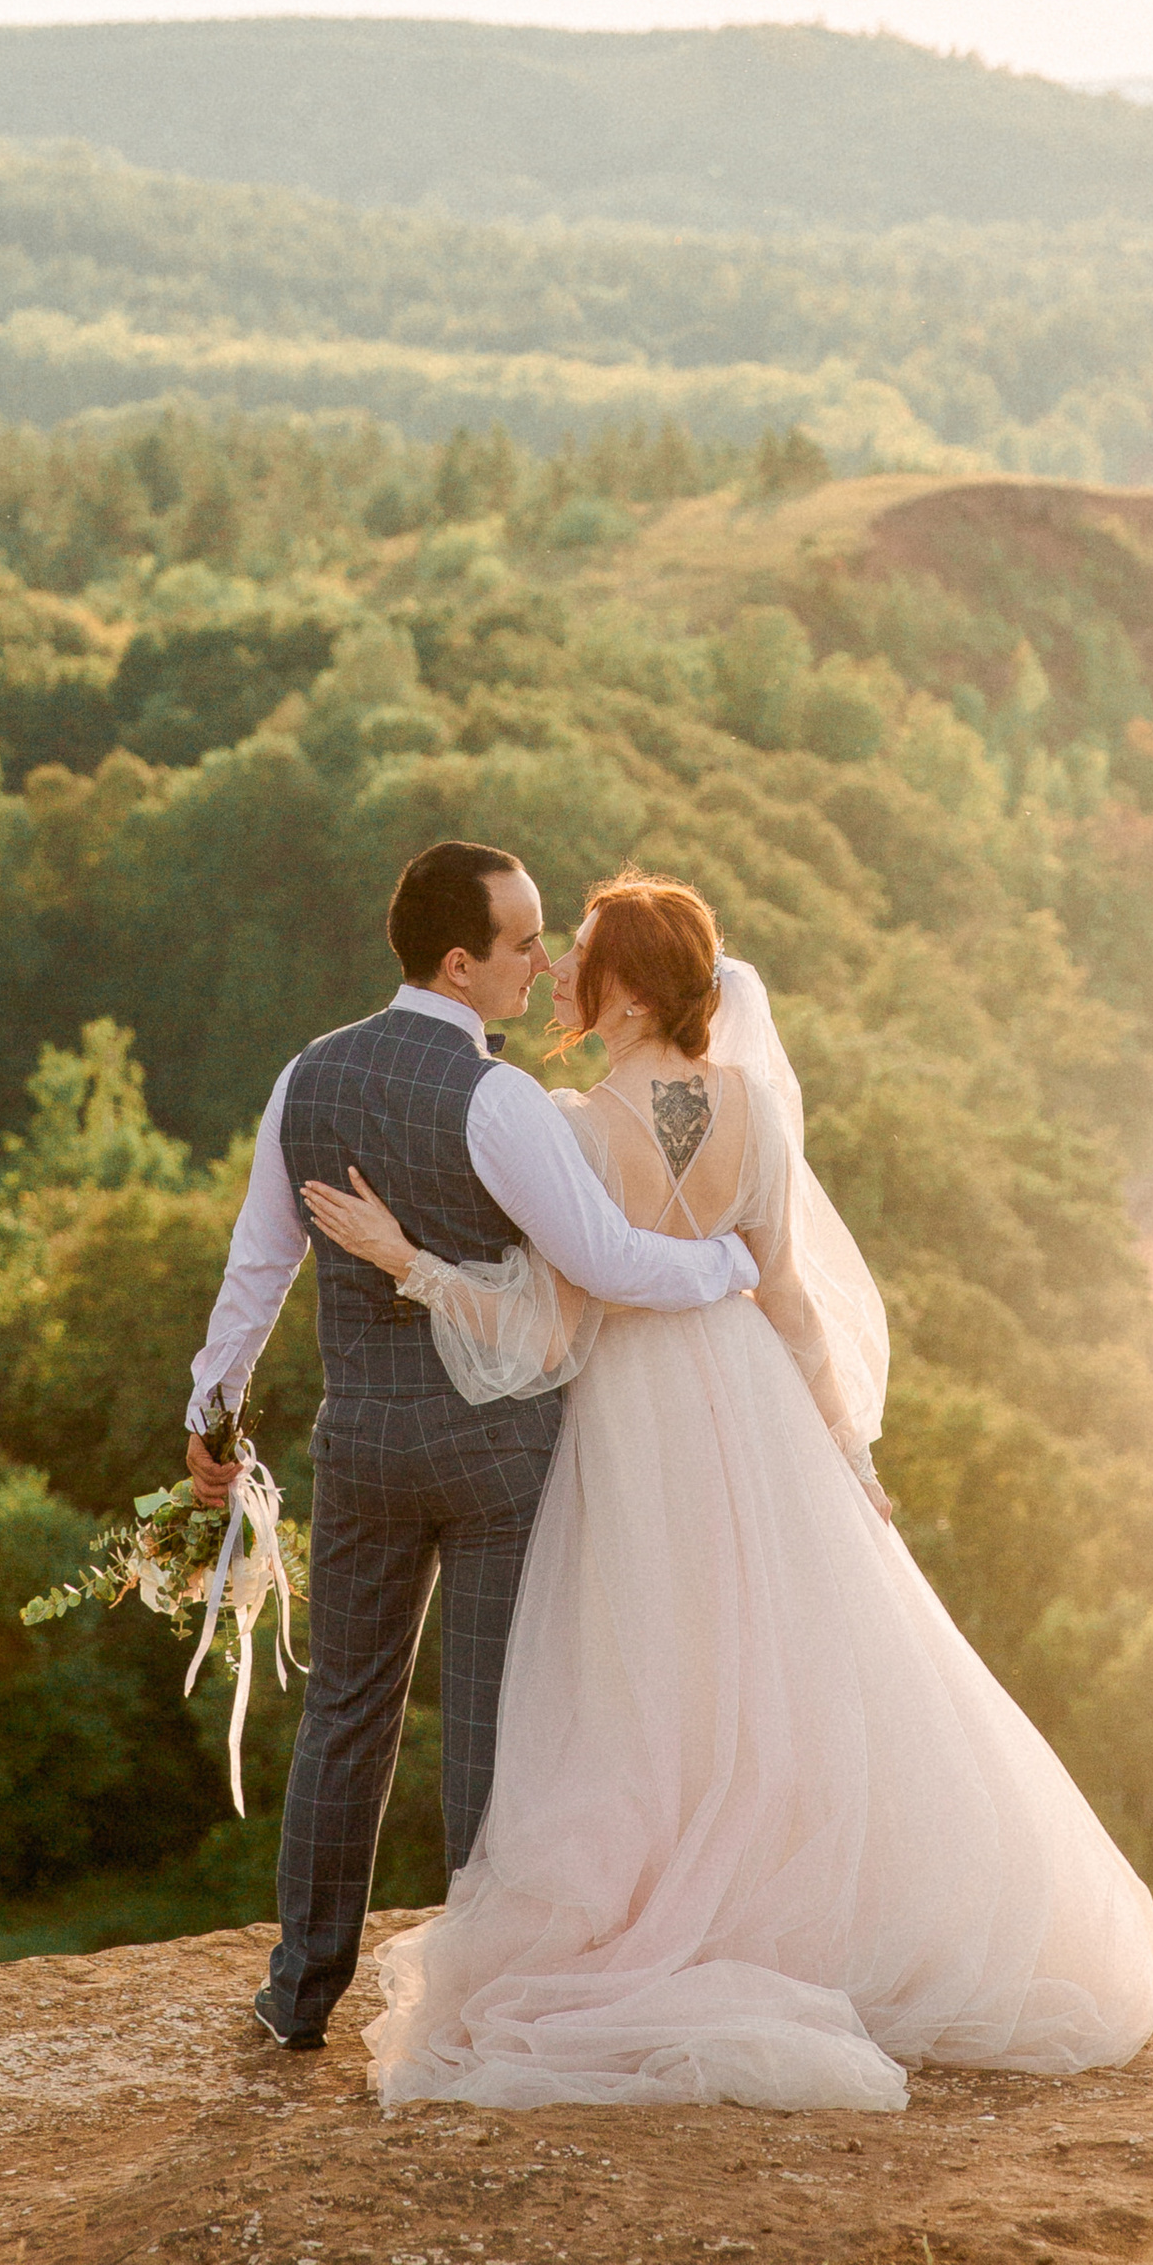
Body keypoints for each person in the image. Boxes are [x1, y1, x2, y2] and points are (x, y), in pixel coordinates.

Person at [299, 868, 1153, 2111]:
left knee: (644, 1680)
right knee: (765, 1670)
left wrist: (410, 1264)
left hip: (630, 1427)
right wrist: (847, 1456)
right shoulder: (752, 1107)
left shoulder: (573, 1125)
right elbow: (792, 1301)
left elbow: (546, 1332)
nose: (557, 972)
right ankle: (772, 1914)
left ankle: (672, 1920)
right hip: (752, 1410)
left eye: (580, 955)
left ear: (626, 992)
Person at [182, 839, 759, 2052]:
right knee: (493, 1726)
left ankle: (299, 1991)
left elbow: (258, 1264)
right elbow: (605, 1262)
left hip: (365, 1447)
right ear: (459, 963)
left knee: (345, 1713)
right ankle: (476, 2005)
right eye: (522, 943)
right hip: (497, 1454)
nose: (541, 964)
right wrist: (725, 1263)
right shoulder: (500, 1101)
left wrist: (212, 1417)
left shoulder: (306, 1075)